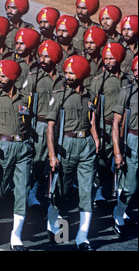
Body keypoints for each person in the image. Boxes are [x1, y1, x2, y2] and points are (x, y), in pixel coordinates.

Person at [46, 55, 98, 251]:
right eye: (66, 72)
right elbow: (50, 127)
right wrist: (52, 155)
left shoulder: (90, 95)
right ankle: (53, 225)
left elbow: (92, 119)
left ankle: (82, 238)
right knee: (61, 191)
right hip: (65, 145)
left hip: (86, 145)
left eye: (71, 72)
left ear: (82, 74)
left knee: (87, 192)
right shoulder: (60, 95)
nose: (67, 76)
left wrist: (95, 139)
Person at [0, 59, 33, 251]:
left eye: (3, 75)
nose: (0, 79)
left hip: (23, 149)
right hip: (2, 149)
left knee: (22, 192)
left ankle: (16, 236)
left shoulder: (25, 99)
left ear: (13, 77)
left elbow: (28, 124)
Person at [22, 40, 65, 207]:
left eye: (47, 56)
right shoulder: (34, 77)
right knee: (37, 160)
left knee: (53, 159)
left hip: (56, 125)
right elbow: (24, 100)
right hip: (38, 124)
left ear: (54, 58)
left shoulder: (62, 80)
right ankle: (29, 191)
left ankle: (40, 190)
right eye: (41, 56)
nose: (43, 59)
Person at [91, 43, 129, 203]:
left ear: (119, 59)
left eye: (111, 58)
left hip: (125, 125)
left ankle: (122, 194)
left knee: (124, 158)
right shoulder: (99, 80)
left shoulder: (128, 79)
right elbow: (92, 109)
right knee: (103, 159)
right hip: (105, 124)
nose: (108, 61)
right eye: (105, 58)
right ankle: (98, 188)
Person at [111, 56, 138, 237]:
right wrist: (117, 152)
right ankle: (118, 213)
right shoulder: (127, 91)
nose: (137, 74)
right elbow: (115, 124)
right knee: (131, 184)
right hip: (133, 139)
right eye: (135, 70)